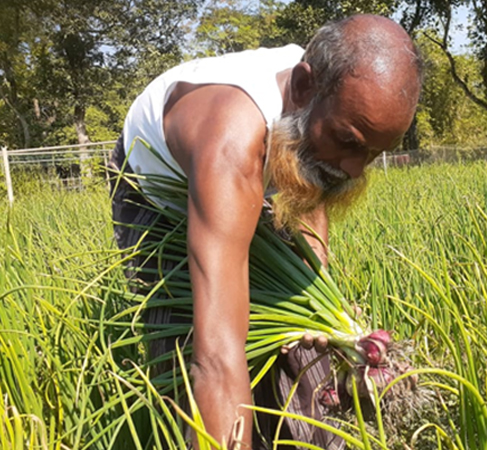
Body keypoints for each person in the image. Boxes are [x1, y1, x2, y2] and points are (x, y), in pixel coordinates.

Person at [107, 14, 422, 450]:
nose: (355, 169)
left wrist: (317, 306)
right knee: (191, 343)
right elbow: (216, 355)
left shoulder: (327, 111)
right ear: (302, 88)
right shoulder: (231, 139)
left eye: (372, 153)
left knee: (301, 354)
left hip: (251, 170)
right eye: (349, 142)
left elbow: (310, 201)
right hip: (160, 195)